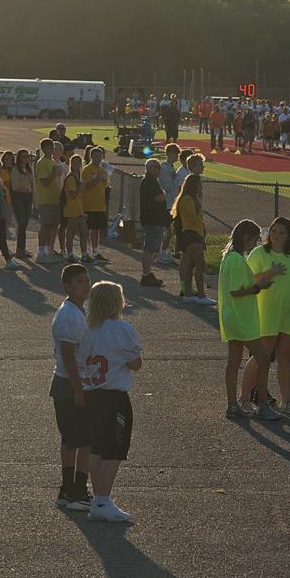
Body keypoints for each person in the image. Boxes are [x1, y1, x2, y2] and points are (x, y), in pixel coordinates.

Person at [79, 281, 143, 522]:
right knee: (115, 448)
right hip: (114, 397)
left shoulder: (86, 330)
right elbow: (136, 364)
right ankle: (103, 500)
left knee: (97, 447)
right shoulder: (122, 329)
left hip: (91, 393)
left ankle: (99, 498)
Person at [247, 218, 290, 417]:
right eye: (274, 231)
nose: (276, 236)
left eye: (282, 233)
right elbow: (247, 278)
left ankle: (286, 402)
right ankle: (246, 397)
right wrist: (271, 272)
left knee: (285, 357)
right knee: (262, 355)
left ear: (289, 236)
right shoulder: (259, 253)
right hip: (267, 310)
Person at [219, 220, 284, 420]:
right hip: (242, 318)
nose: (255, 244)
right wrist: (258, 287)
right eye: (255, 240)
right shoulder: (238, 260)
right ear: (246, 238)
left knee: (234, 360)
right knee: (263, 359)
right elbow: (237, 291)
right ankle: (263, 405)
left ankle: (232, 405)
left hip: (231, 316)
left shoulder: (228, 258)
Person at [50, 263, 93, 511]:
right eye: (79, 281)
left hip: (74, 381)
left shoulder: (78, 311)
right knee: (78, 440)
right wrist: (79, 389)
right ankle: (74, 490)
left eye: (87, 280)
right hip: (70, 383)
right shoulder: (69, 314)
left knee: (78, 439)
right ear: (67, 286)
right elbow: (67, 354)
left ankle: (71, 489)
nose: (85, 285)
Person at [172, 174, 214, 305]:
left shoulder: (191, 198)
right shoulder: (188, 199)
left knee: (190, 265)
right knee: (200, 264)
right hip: (192, 234)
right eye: (199, 183)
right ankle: (201, 295)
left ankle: (189, 293)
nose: (201, 186)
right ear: (194, 185)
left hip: (193, 234)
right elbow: (192, 219)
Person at [138, 157, 167, 287]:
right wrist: (164, 194)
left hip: (154, 218)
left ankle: (148, 273)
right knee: (149, 248)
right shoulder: (149, 181)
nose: (159, 170)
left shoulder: (152, 181)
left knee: (151, 247)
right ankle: (146, 274)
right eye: (157, 167)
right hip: (152, 219)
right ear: (150, 168)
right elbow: (157, 198)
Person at [34, 138, 62, 261]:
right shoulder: (42, 163)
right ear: (44, 149)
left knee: (53, 225)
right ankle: (41, 252)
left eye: (52, 148)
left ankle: (48, 250)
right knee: (45, 225)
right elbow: (44, 182)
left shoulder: (52, 162)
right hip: (45, 199)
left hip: (54, 198)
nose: (51, 150)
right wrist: (54, 174)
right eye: (49, 148)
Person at [81, 146, 109, 262]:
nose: (98, 159)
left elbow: (105, 187)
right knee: (86, 229)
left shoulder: (103, 170)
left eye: (100, 156)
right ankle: (85, 252)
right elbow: (86, 186)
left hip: (100, 204)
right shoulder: (87, 169)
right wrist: (96, 178)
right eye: (96, 156)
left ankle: (95, 251)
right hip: (89, 204)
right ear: (91, 157)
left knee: (96, 229)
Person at [9, 148, 34, 259]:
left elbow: (32, 185)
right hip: (19, 197)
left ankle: (22, 249)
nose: (26, 159)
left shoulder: (29, 169)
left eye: (28, 156)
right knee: (22, 222)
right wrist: (26, 179)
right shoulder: (15, 169)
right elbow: (15, 187)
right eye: (24, 156)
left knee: (24, 223)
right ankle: (20, 249)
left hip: (28, 196)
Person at [61, 154, 86, 262]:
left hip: (79, 209)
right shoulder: (71, 178)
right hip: (72, 209)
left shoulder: (78, 176)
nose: (77, 164)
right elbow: (72, 194)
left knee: (84, 232)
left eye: (78, 162)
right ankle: (70, 254)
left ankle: (84, 254)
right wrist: (81, 188)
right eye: (74, 162)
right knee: (71, 233)